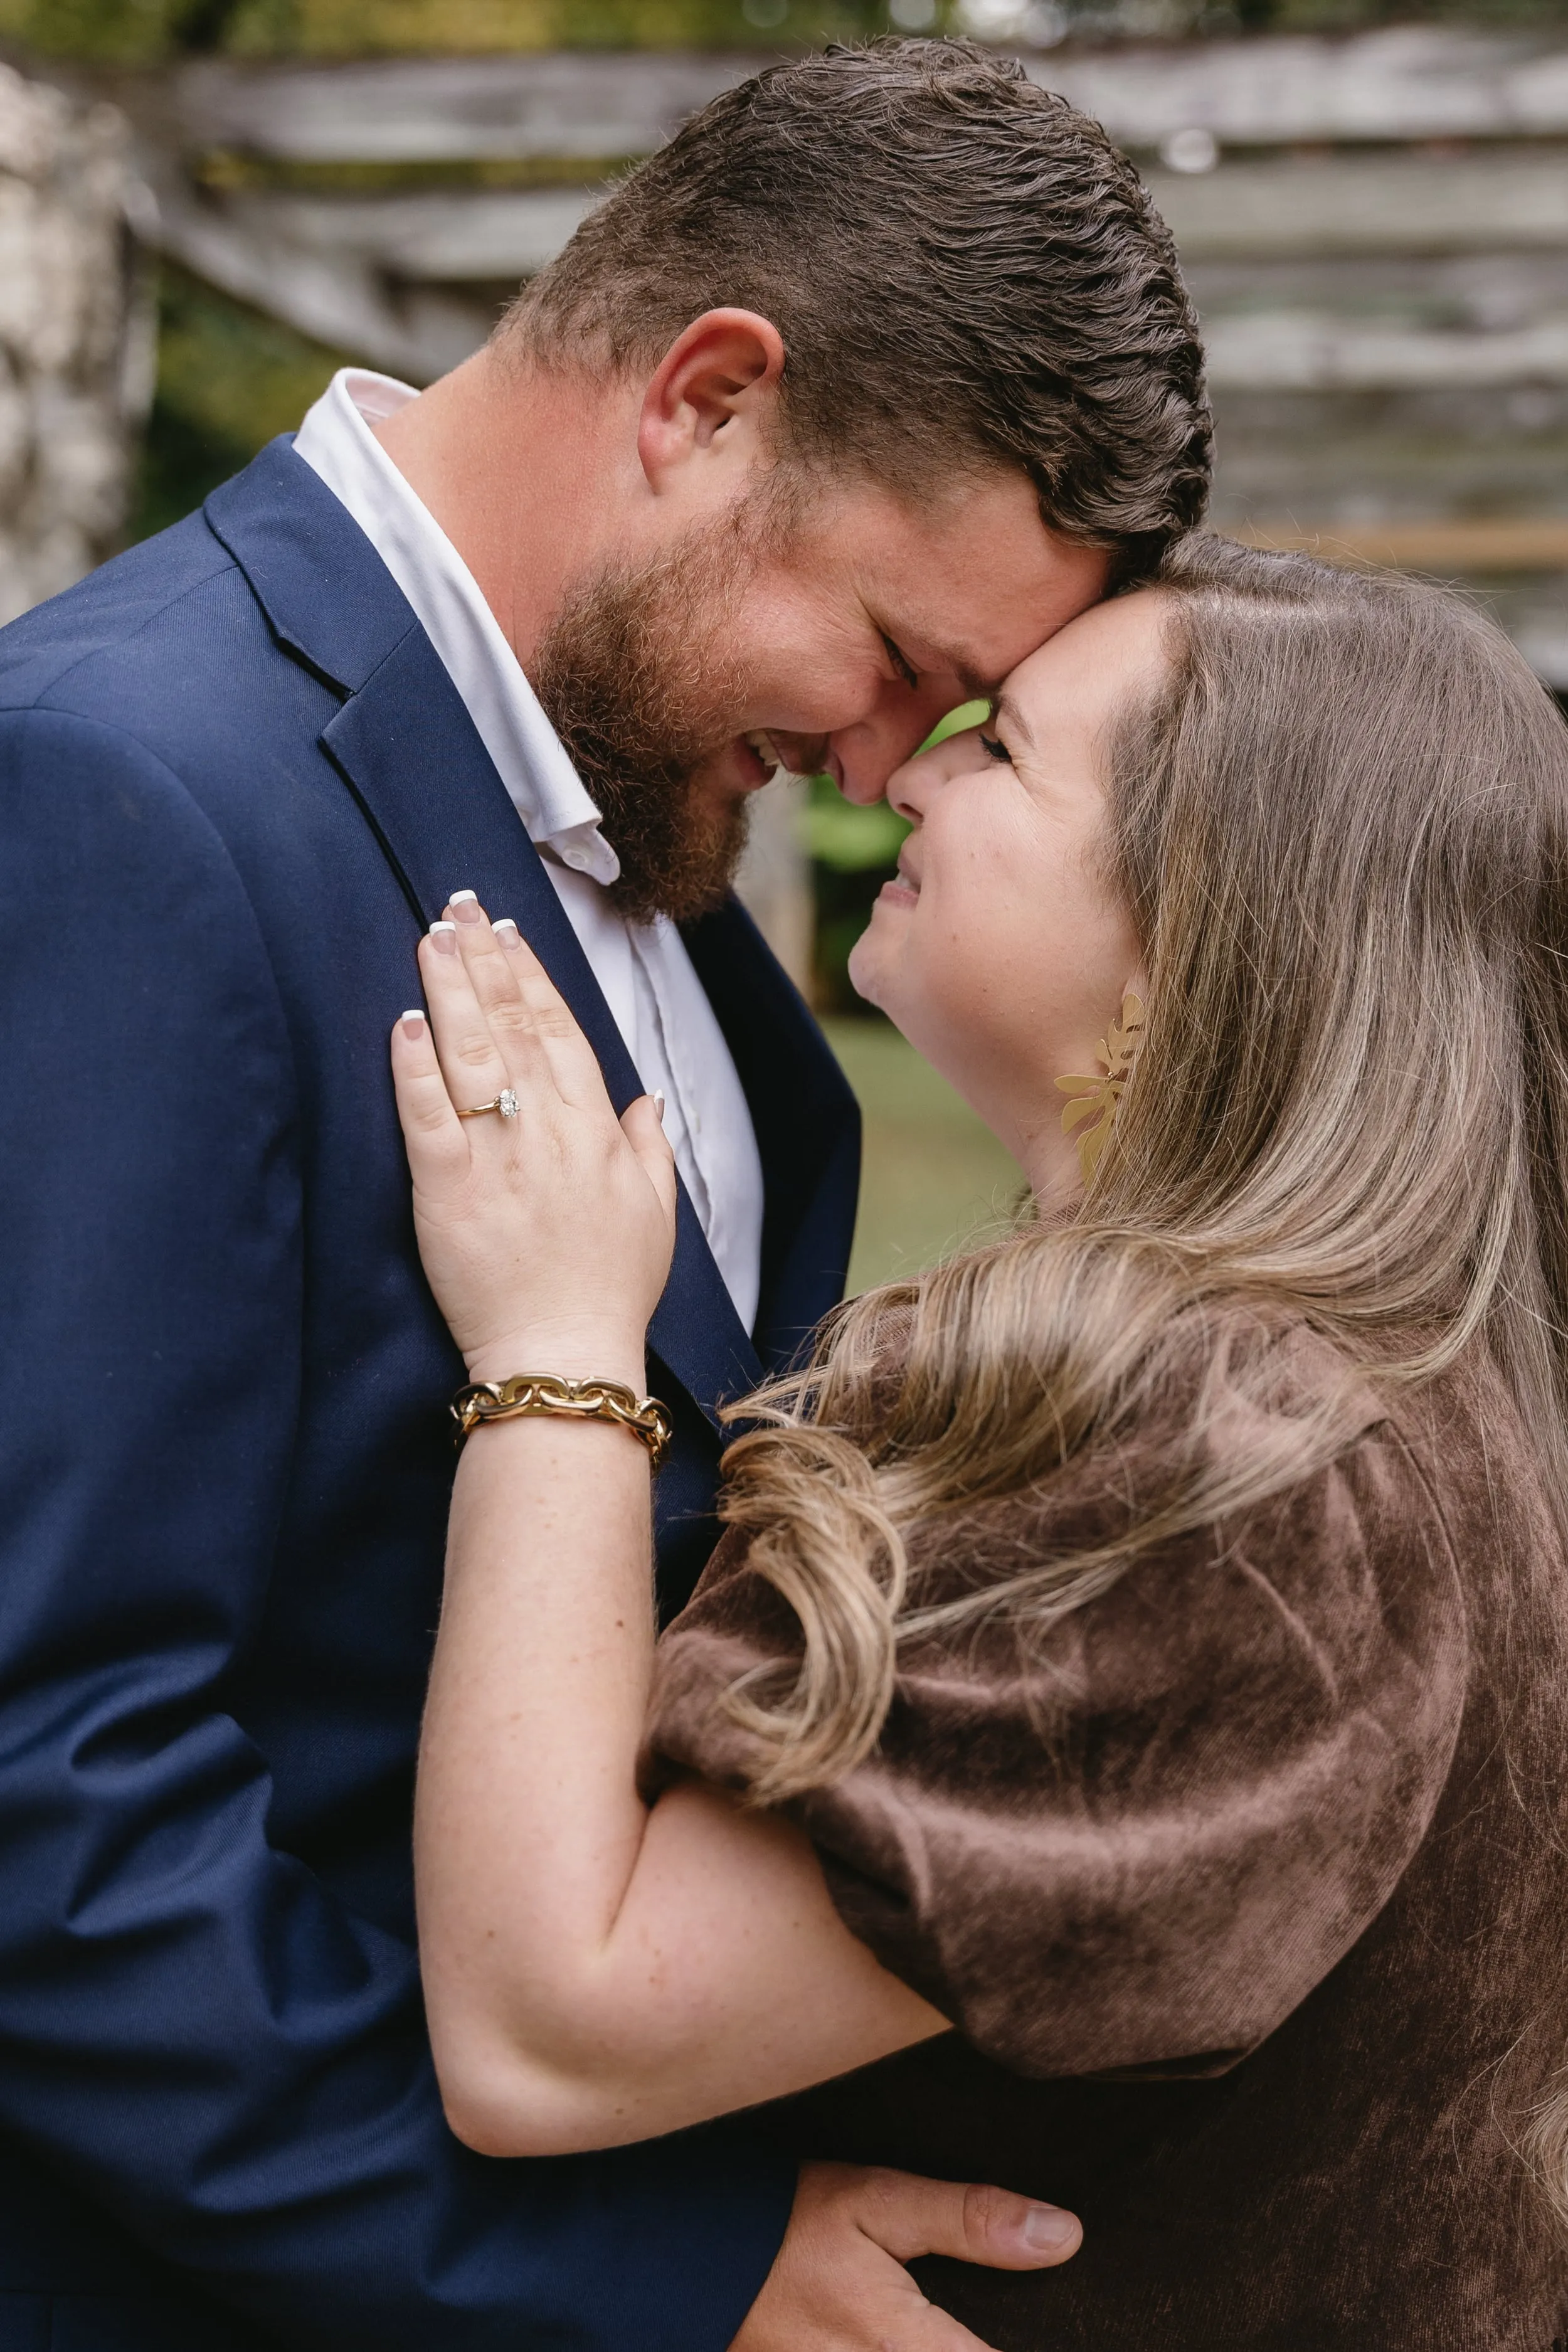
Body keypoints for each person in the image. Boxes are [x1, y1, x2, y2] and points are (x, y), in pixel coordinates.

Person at [0, 35, 1209, 2352]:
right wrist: (650, 2272)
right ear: (706, 399)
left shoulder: (642, 835)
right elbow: (45, 1783)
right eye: (897, 660)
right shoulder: (117, 793)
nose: (883, 768)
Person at [389, 536, 1568, 2349]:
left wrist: (554, 1345)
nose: (905, 776)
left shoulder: (1256, 1465)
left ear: (1195, 938)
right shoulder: (1366, 1397)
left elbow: (550, 2025)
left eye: (1002, 747)